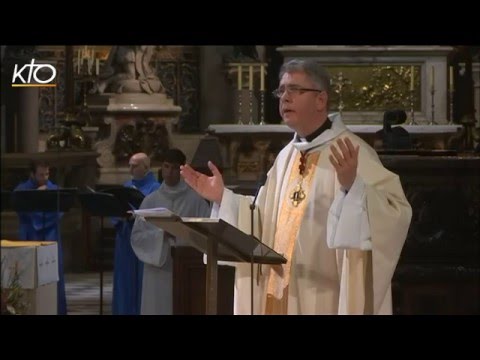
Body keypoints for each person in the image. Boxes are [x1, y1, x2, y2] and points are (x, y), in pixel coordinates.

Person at [181, 59, 413, 315]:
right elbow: (262, 221)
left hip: (324, 296)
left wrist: (353, 189)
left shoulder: (352, 151)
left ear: (321, 100)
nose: (285, 98)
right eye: (281, 90)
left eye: (295, 89)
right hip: (279, 294)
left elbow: (396, 212)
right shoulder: (285, 157)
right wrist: (224, 199)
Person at [130, 149, 211, 315]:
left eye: (174, 168)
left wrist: (184, 233)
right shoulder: (151, 200)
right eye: (166, 167)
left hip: (186, 268)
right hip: (157, 269)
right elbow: (137, 237)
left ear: (181, 170)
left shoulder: (195, 199)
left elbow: (207, 233)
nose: (169, 172)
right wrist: (161, 235)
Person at [14, 160, 67, 315]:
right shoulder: (22, 190)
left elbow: (59, 212)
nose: (44, 177)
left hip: (51, 234)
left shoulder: (54, 189)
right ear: (32, 174)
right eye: (40, 174)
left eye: (47, 174)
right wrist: (37, 197)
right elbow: (21, 211)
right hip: (30, 234)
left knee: (52, 273)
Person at [111, 152, 161, 315]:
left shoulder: (155, 188)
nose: (131, 169)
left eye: (135, 165)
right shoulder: (126, 186)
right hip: (125, 238)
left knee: (141, 281)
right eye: (130, 165)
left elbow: (157, 215)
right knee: (124, 280)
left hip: (144, 240)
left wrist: (137, 215)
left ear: (146, 167)